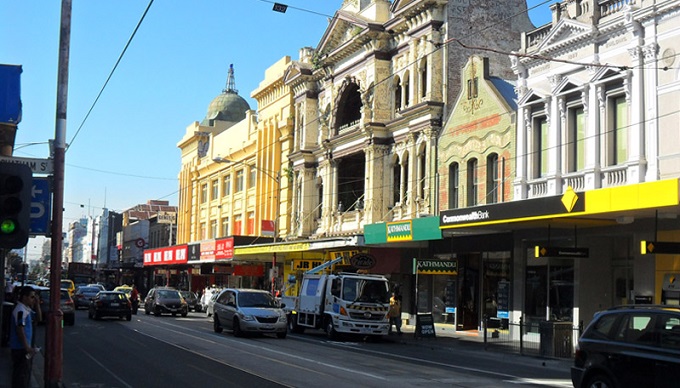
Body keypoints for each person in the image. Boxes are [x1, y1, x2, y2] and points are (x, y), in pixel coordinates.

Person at [9, 286, 39, 388]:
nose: (33, 299)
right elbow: (20, 329)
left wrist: (37, 304)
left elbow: (39, 318)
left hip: (23, 347)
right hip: (20, 348)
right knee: (20, 375)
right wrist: (27, 347)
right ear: (24, 297)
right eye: (31, 297)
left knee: (24, 374)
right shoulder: (20, 310)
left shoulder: (27, 310)